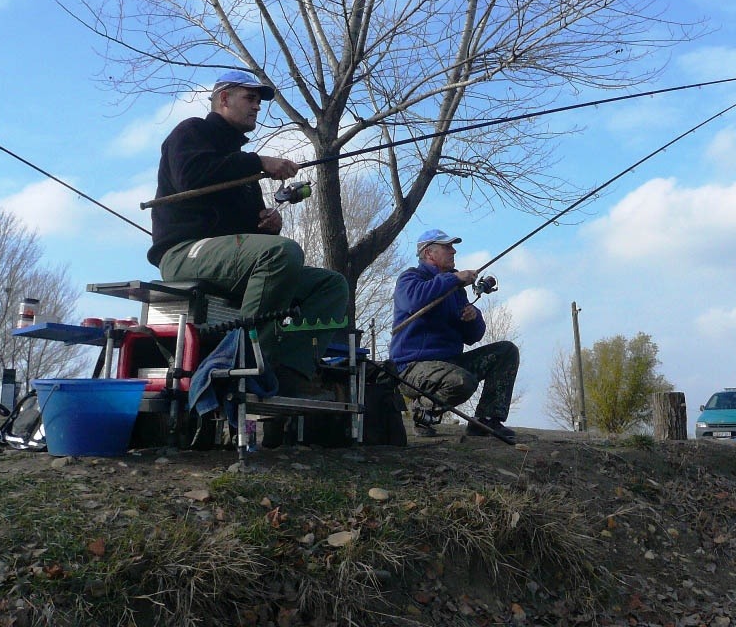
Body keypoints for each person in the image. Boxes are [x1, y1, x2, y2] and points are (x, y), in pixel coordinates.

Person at [147, 70, 349, 398]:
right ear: (224, 98)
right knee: (282, 252)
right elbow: (190, 177)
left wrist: (269, 224)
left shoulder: (243, 166)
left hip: (230, 263)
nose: (257, 107)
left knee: (330, 285)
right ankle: (234, 363)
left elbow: (250, 235)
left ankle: (288, 370)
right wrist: (258, 161)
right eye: (250, 98)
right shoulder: (192, 132)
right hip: (184, 253)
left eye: (258, 101)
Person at [389, 229, 519, 441]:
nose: (453, 251)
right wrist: (454, 278)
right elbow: (414, 301)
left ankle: (486, 420)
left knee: (506, 351)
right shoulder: (410, 278)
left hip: (449, 363)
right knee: (461, 381)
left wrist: (473, 317)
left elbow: (473, 336)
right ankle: (423, 413)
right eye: (447, 247)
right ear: (429, 253)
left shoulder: (457, 289)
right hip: (411, 367)